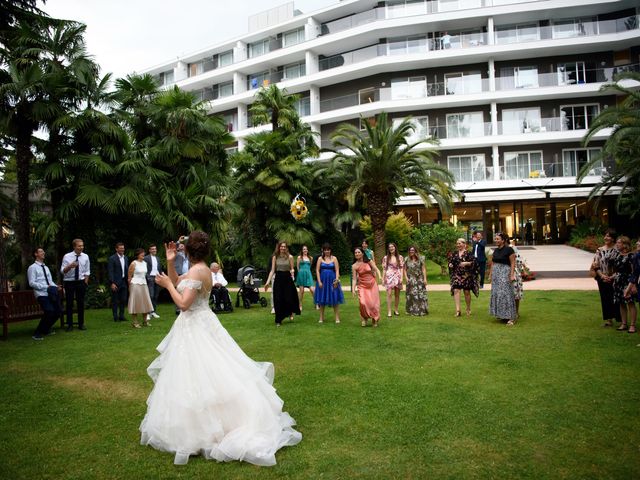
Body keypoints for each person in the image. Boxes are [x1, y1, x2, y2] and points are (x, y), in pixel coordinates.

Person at [140, 231, 301, 465]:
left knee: (205, 372)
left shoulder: (199, 271)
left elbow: (183, 303)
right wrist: (170, 262)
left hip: (196, 325)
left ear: (189, 251)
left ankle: (207, 428)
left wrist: (165, 284)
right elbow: (178, 281)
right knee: (196, 373)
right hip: (198, 324)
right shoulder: (201, 269)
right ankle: (200, 423)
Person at [27, 247, 61, 340]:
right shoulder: (32, 268)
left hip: (50, 293)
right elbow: (31, 283)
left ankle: (46, 329)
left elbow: (50, 281)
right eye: (41, 251)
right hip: (41, 294)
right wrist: (46, 287)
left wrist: (56, 286)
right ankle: (37, 333)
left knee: (58, 312)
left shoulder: (46, 267)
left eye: (43, 251)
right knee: (49, 311)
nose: (43, 253)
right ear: (36, 254)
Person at [590, 229, 621, 327]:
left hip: (615, 278)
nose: (606, 238)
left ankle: (620, 319)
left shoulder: (618, 250)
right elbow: (595, 264)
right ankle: (608, 320)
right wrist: (602, 275)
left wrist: (612, 276)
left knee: (616, 298)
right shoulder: (600, 250)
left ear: (613, 238)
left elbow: (621, 264)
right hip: (602, 277)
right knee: (605, 298)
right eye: (605, 236)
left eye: (608, 236)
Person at [264, 241, 301, 326]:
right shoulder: (275, 257)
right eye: (281, 246)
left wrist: (292, 272)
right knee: (278, 299)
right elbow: (272, 270)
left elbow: (292, 268)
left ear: (286, 248)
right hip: (278, 279)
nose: (283, 248)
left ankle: (289, 312)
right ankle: (278, 320)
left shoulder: (290, 257)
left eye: (284, 247)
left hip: (287, 278)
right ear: (279, 247)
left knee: (288, 298)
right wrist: (267, 282)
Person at [60, 238, 90, 331]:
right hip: (69, 282)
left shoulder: (85, 256)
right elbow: (62, 271)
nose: (81, 247)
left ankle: (81, 324)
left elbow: (87, 270)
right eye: (79, 246)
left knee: (80, 303)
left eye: (82, 245)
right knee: (69, 303)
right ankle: (70, 325)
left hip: (81, 282)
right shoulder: (67, 256)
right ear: (74, 246)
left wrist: (85, 282)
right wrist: (70, 266)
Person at [489, 233, 517, 325]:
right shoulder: (496, 250)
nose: (496, 241)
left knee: (506, 293)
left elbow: (513, 263)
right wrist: (490, 274)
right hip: (496, 274)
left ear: (503, 240)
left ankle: (511, 317)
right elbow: (492, 263)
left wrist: (512, 275)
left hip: (505, 272)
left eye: (498, 239)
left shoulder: (509, 249)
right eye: (495, 239)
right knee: (497, 293)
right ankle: (502, 315)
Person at [313, 243, 344, 323]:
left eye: (328, 249)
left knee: (335, 298)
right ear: (323, 250)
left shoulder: (334, 258)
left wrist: (336, 280)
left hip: (332, 281)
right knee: (321, 299)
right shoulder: (320, 259)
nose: (327, 251)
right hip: (323, 281)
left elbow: (337, 270)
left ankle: (337, 318)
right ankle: (321, 317)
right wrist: (319, 281)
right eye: (325, 250)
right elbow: (317, 270)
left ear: (330, 250)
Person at [611, 236, 637, 333]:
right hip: (618, 282)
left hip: (628, 282)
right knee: (621, 302)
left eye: (619, 243)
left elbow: (634, 271)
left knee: (630, 302)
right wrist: (612, 277)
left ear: (625, 244)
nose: (617, 244)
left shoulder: (631, 256)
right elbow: (617, 271)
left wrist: (633, 285)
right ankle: (624, 323)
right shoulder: (618, 255)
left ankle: (632, 325)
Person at [351, 246, 381, 327]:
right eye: (355, 252)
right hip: (362, 285)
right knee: (363, 302)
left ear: (362, 253)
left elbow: (376, 269)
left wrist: (380, 276)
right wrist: (353, 289)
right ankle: (364, 317)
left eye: (358, 252)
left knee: (373, 303)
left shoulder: (368, 261)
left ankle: (374, 319)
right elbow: (354, 279)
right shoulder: (354, 266)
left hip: (372, 284)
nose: (357, 254)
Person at [448, 238, 479, 317]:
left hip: (466, 276)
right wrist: (450, 265)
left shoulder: (468, 253)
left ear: (464, 244)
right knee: (456, 290)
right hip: (457, 275)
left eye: (460, 243)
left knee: (466, 292)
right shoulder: (455, 253)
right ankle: (458, 310)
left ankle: (468, 308)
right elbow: (451, 262)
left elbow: (475, 263)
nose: (458, 245)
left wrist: (467, 263)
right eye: (457, 244)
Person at [128, 248, 154, 328]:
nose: (143, 254)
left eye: (144, 253)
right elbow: (129, 276)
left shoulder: (145, 263)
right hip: (135, 284)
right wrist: (130, 287)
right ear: (138, 255)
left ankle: (145, 321)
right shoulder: (133, 263)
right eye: (141, 253)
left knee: (145, 302)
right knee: (135, 303)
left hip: (144, 284)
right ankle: (135, 322)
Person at [403, 245, 428, 316]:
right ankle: (412, 310)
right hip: (410, 279)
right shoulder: (406, 259)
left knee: (420, 294)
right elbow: (404, 269)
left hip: (419, 278)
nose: (411, 251)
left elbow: (423, 269)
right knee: (411, 295)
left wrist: (425, 279)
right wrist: (406, 278)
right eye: (410, 250)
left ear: (415, 251)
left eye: (413, 250)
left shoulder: (421, 258)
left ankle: (421, 310)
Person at [107, 242, 129, 323]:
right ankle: (115, 316)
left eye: (123, 248)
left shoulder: (125, 258)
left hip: (124, 281)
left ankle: (121, 315)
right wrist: (112, 283)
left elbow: (127, 270)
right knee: (115, 300)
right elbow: (110, 271)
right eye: (120, 248)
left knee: (123, 299)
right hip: (115, 282)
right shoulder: (112, 258)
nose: (122, 249)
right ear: (116, 249)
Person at [382, 242, 404, 317]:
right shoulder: (385, 258)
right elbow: (384, 269)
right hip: (389, 277)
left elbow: (401, 268)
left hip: (397, 276)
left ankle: (396, 310)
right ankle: (389, 312)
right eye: (390, 247)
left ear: (395, 248)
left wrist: (401, 277)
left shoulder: (400, 257)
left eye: (392, 247)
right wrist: (383, 278)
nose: (391, 248)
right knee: (389, 294)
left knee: (397, 294)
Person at [144, 244, 164, 319]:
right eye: (152, 249)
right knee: (150, 295)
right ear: (149, 250)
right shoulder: (146, 258)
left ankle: (153, 312)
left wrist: (162, 276)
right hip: (150, 278)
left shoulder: (158, 258)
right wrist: (147, 277)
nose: (154, 250)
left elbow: (160, 269)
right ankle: (148, 313)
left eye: (155, 249)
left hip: (157, 278)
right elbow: (144, 268)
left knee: (155, 296)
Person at [295, 245, 314, 311]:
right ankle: (300, 305)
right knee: (302, 291)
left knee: (312, 290)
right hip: (301, 275)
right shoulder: (299, 257)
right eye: (304, 249)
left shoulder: (311, 258)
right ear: (302, 250)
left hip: (308, 274)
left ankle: (316, 303)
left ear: (307, 250)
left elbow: (310, 266)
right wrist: (300, 272)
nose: (305, 250)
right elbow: (297, 266)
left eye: (306, 249)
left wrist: (307, 271)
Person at [511, 239, 525, 319]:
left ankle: (516, 312)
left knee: (516, 295)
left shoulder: (514, 250)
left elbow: (519, 263)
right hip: (508, 274)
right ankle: (513, 312)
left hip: (515, 275)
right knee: (512, 294)